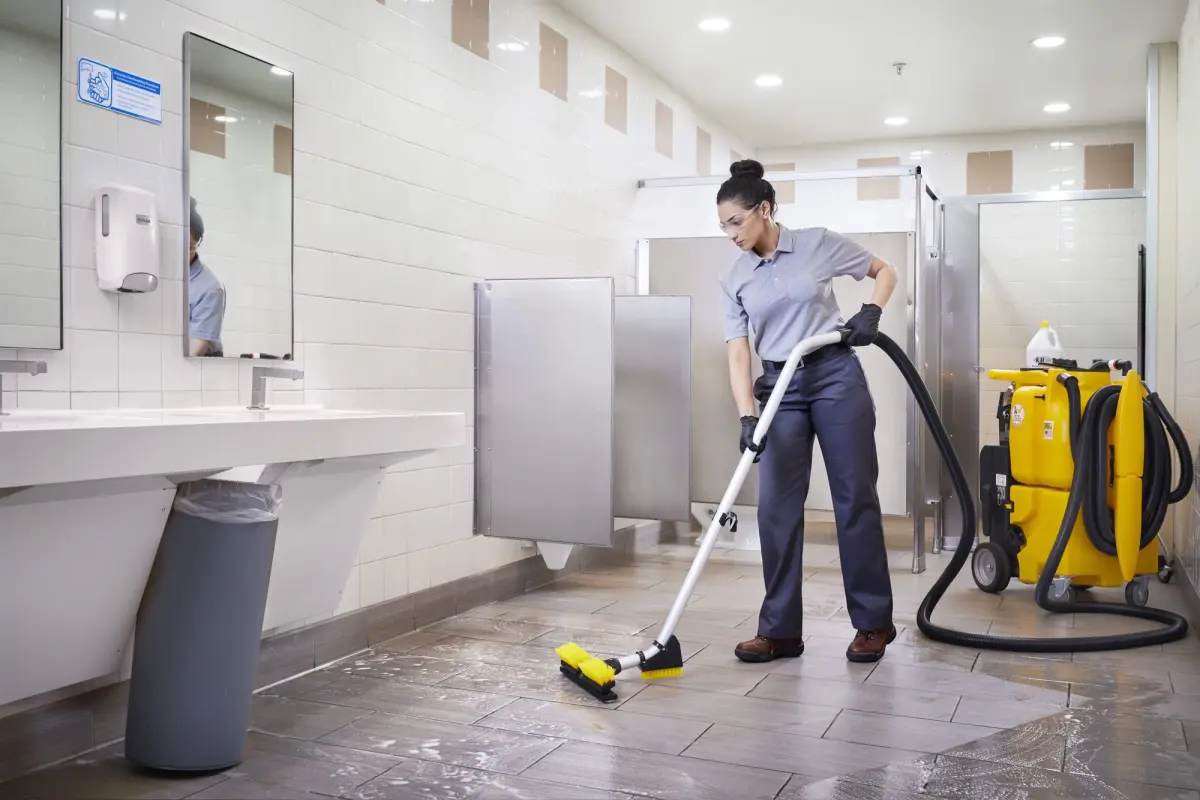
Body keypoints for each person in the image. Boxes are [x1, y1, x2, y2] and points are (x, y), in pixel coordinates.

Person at [717, 159, 900, 664]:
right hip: (780, 385)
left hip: (835, 375)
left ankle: (873, 623)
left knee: (853, 498)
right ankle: (779, 632)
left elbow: (884, 270)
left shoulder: (816, 243)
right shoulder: (735, 278)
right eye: (723, 226)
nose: (730, 234)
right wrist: (746, 415)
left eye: (736, 221)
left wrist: (872, 312)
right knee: (776, 509)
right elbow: (738, 351)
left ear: (765, 210)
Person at [188, 197, 225, 357]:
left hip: (201, 364)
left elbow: (195, 350)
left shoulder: (210, 288)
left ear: (197, 243)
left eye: (189, 247)